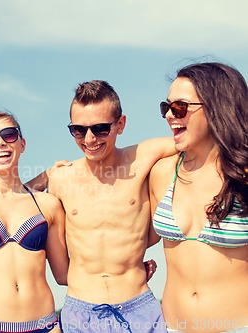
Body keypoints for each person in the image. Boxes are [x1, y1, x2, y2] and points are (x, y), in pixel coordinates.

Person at [22, 80, 176, 332]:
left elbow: (198, 143)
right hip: (80, 312)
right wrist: (45, 176)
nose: (90, 139)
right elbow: (10, 199)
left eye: (101, 129)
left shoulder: (144, 157)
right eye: (79, 131)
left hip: (139, 307)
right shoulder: (62, 178)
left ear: (121, 124)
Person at [150, 62, 248, 333]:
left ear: (217, 108)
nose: (170, 116)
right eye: (165, 107)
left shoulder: (243, 176)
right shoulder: (161, 174)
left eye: (180, 107)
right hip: (173, 327)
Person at [0, 111, 69, 333]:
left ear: (22, 144)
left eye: (9, 135)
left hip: (43, 326)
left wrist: (124, 270)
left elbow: (64, 274)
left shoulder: (48, 205)